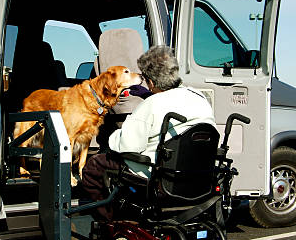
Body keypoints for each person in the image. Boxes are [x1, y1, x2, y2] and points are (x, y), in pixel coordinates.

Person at [81, 45, 216, 219]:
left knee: (95, 166)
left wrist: (113, 136)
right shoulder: (199, 98)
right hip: (198, 178)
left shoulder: (152, 104)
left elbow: (127, 146)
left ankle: (111, 222)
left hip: (161, 179)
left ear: (151, 82)